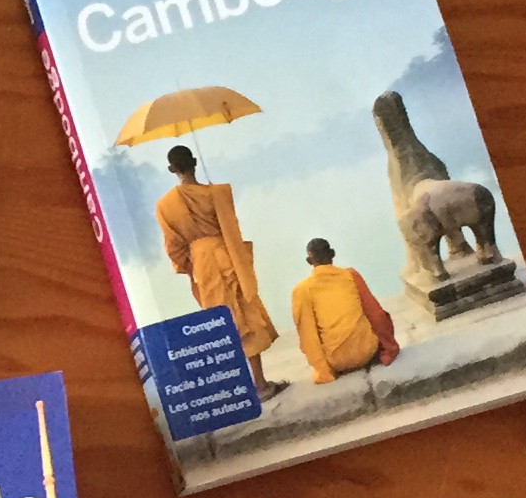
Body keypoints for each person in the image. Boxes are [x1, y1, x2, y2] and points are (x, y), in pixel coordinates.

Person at [152, 144, 280, 397]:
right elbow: (231, 231)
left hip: (202, 265)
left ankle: (241, 386)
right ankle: (259, 383)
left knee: (221, 322)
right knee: (243, 317)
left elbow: (173, 247)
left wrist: (190, 264)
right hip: (226, 257)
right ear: (194, 162)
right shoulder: (217, 193)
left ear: (171, 169)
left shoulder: (165, 205)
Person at [287, 238, 397, 385]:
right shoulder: (351, 275)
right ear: (332, 254)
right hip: (368, 351)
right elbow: (376, 314)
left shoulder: (301, 290)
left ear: (309, 261)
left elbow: (308, 337)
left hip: (337, 361)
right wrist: (389, 347)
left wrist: (324, 373)